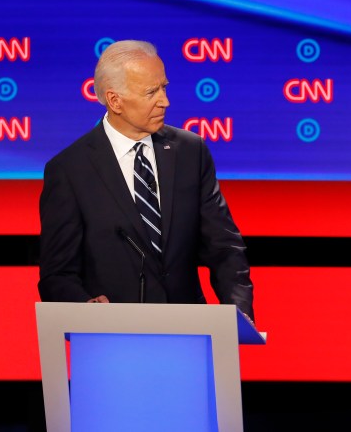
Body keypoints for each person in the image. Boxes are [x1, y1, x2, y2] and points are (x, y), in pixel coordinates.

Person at [38, 40, 254, 321]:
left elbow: (224, 247)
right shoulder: (69, 170)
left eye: (164, 87)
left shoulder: (191, 152)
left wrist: (238, 313)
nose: (165, 101)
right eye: (152, 92)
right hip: (110, 339)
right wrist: (85, 307)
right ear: (115, 100)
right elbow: (57, 273)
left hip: (188, 332)